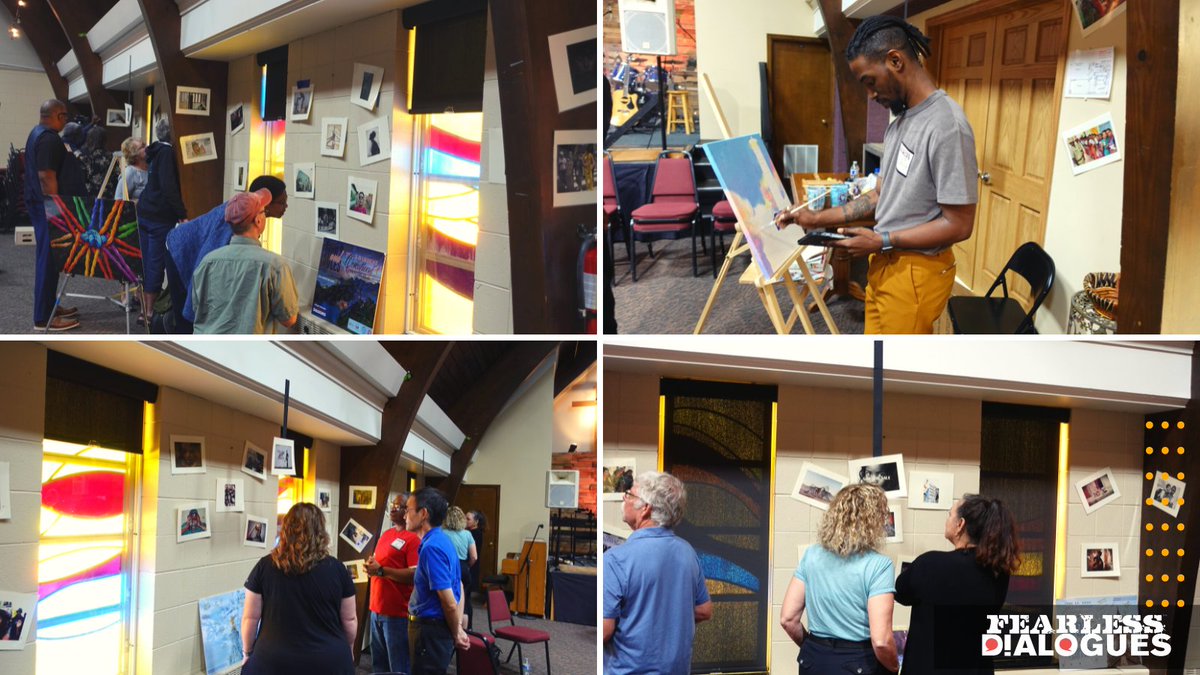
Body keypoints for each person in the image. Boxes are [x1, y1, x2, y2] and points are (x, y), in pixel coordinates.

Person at [775, 16, 978, 334]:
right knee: (877, 363)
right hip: (887, 262)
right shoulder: (900, 120)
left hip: (915, 271)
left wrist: (883, 239)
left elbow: (960, 224)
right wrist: (816, 219)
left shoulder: (946, 125)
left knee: (897, 375)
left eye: (870, 82)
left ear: (895, 60)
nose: (871, 95)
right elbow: (881, 193)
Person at [780, 484, 899, 674]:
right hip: (858, 662)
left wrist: (812, 648)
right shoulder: (879, 565)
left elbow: (788, 619)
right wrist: (894, 667)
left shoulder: (811, 555)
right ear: (873, 521)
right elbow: (882, 641)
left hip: (813, 661)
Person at [895, 494, 1019, 674]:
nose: (947, 520)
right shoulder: (998, 573)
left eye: (949, 514)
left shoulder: (929, 564)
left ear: (960, 524)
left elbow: (900, 592)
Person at [603, 471, 713, 674]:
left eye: (630, 494)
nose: (624, 498)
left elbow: (604, 631)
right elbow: (704, 610)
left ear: (645, 508)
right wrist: (667, 618)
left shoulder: (615, 559)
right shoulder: (687, 552)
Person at [241, 502, 356, 675]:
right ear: (321, 532)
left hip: (273, 662)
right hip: (328, 662)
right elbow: (349, 620)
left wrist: (247, 652)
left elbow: (250, 618)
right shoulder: (338, 569)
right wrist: (347, 650)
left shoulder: (264, 566)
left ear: (285, 530)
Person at [164, 175, 288, 333]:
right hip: (179, 249)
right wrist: (192, 313)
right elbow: (203, 267)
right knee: (187, 320)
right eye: (282, 202)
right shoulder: (235, 218)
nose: (286, 206)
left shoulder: (248, 214)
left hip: (194, 248)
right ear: (267, 206)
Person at [190, 188, 300, 333]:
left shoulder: (207, 262)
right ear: (258, 220)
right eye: (264, 212)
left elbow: (197, 308)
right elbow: (289, 319)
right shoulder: (275, 266)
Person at [24, 99, 85, 331]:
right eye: (66, 117)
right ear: (59, 116)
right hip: (48, 209)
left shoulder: (36, 133)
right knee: (48, 261)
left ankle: (49, 306)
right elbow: (46, 177)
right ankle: (43, 318)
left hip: (41, 206)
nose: (66, 121)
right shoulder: (49, 139)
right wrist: (57, 212)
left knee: (52, 259)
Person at [404, 487, 469, 675]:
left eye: (408, 510)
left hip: (429, 632)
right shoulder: (442, 540)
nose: (404, 516)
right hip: (434, 630)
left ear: (423, 513)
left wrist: (457, 632)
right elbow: (460, 587)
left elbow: (449, 602)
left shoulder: (432, 548)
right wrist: (456, 627)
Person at [365, 495, 422, 675]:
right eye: (392, 504)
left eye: (399, 505)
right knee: (378, 666)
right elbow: (379, 562)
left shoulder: (413, 539)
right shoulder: (386, 535)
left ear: (408, 511)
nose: (393, 508)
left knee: (398, 667)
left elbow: (414, 575)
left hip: (397, 614)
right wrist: (371, 566)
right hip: (376, 609)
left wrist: (381, 571)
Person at [138, 119, 188, 325]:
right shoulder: (167, 152)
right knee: (156, 263)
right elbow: (168, 186)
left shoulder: (154, 151)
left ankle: (144, 308)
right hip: (160, 215)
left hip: (145, 210)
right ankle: (149, 313)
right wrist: (181, 213)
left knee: (146, 261)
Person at [443, 506, 478, 627]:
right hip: (463, 568)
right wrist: (467, 566)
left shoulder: (442, 533)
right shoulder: (467, 534)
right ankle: (466, 631)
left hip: (448, 568)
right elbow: (474, 556)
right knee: (465, 602)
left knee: (450, 600)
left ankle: (452, 629)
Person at [465, 509, 486, 628]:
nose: (465, 521)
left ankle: (468, 626)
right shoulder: (470, 532)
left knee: (467, 601)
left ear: (476, 521)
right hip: (470, 566)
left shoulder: (475, 533)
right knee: (467, 600)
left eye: (468, 519)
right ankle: (468, 626)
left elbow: (472, 555)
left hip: (471, 567)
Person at [80, 126, 114, 199]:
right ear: (104, 140)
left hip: (88, 193)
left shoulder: (84, 156)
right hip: (107, 193)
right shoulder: (110, 156)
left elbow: (81, 176)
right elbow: (116, 175)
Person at [114, 137, 149, 201]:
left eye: (145, 145)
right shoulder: (129, 173)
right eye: (142, 147)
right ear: (134, 155)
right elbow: (119, 198)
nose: (146, 147)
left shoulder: (151, 168)